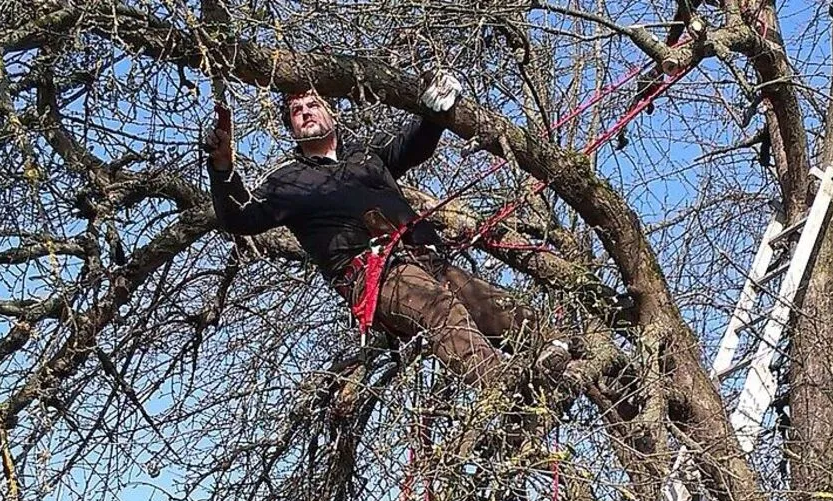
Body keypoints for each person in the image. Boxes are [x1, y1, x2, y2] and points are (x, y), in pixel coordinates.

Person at [203, 74, 575, 389]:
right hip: (375, 275)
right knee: (439, 309)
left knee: (496, 305)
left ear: (330, 111)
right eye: (296, 112)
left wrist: (434, 111)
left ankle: (569, 354)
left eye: (312, 104)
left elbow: (411, 146)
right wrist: (222, 168)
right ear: (292, 129)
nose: (305, 113)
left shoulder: (366, 156)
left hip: (426, 257)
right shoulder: (288, 181)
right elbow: (241, 217)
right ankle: (507, 387)